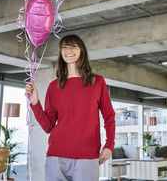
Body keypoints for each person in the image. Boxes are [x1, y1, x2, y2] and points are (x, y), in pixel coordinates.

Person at [25, 34, 115, 181]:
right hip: (56, 156)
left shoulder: (97, 82)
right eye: (64, 47)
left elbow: (109, 117)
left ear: (81, 51)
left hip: (86, 155)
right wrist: (35, 102)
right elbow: (48, 126)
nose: (68, 50)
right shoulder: (54, 86)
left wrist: (109, 145)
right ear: (61, 52)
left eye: (73, 46)